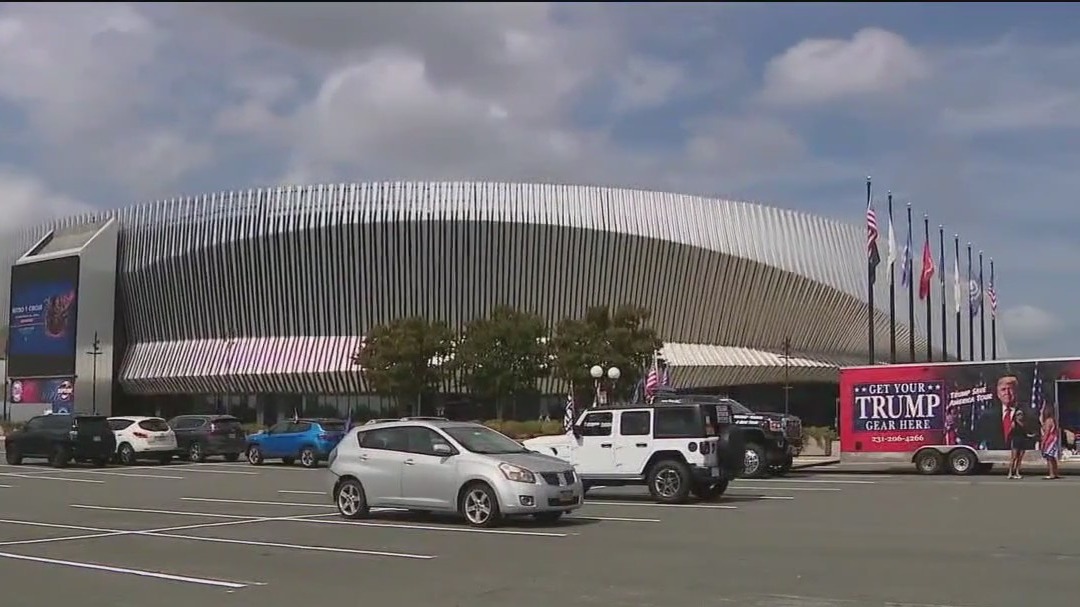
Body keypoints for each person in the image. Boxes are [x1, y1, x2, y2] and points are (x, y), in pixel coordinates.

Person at [1006, 409, 1036, 479]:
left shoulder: (1024, 424)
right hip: (1016, 441)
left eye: (1021, 415)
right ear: (1016, 416)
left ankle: (1017, 472)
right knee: (1014, 458)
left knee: (1020, 458)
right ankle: (1010, 473)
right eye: (1018, 415)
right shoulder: (1014, 423)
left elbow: (1025, 434)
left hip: (1023, 441)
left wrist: (1031, 435)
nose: (1020, 416)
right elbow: (1010, 433)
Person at [1041, 403, 1061, 480]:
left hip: (1050, 440)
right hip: (1054, 439)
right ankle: (1055, 473)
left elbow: (1046, 433)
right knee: (1052, 457)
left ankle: (1051, 473)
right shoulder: (1053, 420)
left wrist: (1043, 442)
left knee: (1049, 457)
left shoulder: (1048, 421)